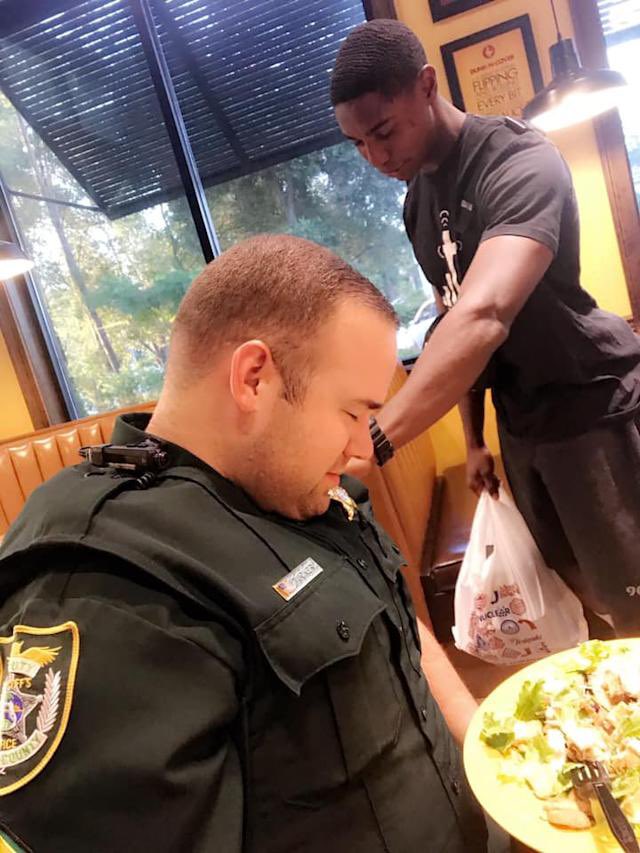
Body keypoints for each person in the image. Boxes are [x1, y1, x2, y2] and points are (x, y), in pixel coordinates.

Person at [0, 235, 492, 852]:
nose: (362, 448)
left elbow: (396, 622)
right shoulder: (108, 583)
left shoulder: (299, 483)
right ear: (254, 379)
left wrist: (491, 760)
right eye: (351, 414)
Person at [330, 20, 640, 636]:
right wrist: (475, 439)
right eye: (358, 144)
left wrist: (376, 440)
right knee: (577, 598)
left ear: (426, 85)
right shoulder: (416, 203)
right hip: (522, 426)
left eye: (383, 132)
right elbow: (454, 317)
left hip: (592, 409)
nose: (376, 158)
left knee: (631, 600)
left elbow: (486, 313)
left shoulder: (519, 160)